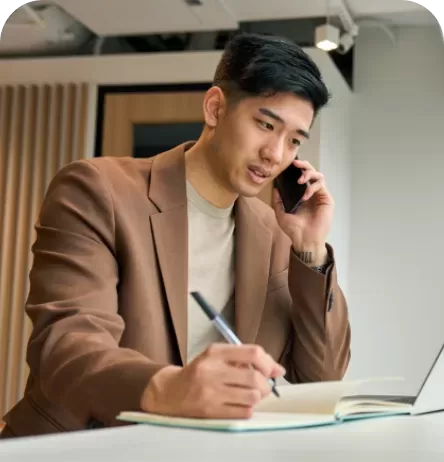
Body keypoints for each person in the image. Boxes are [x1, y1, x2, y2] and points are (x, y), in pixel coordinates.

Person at [0, 32, 350, 439]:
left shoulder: (275, 233)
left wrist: (309, 249)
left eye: (293, 141)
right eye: (264, 124)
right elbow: (66, 347)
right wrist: (169, 388)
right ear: (216, 108)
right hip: (76, 452)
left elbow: (321, 375)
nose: (275, 154)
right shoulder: (98, 189)